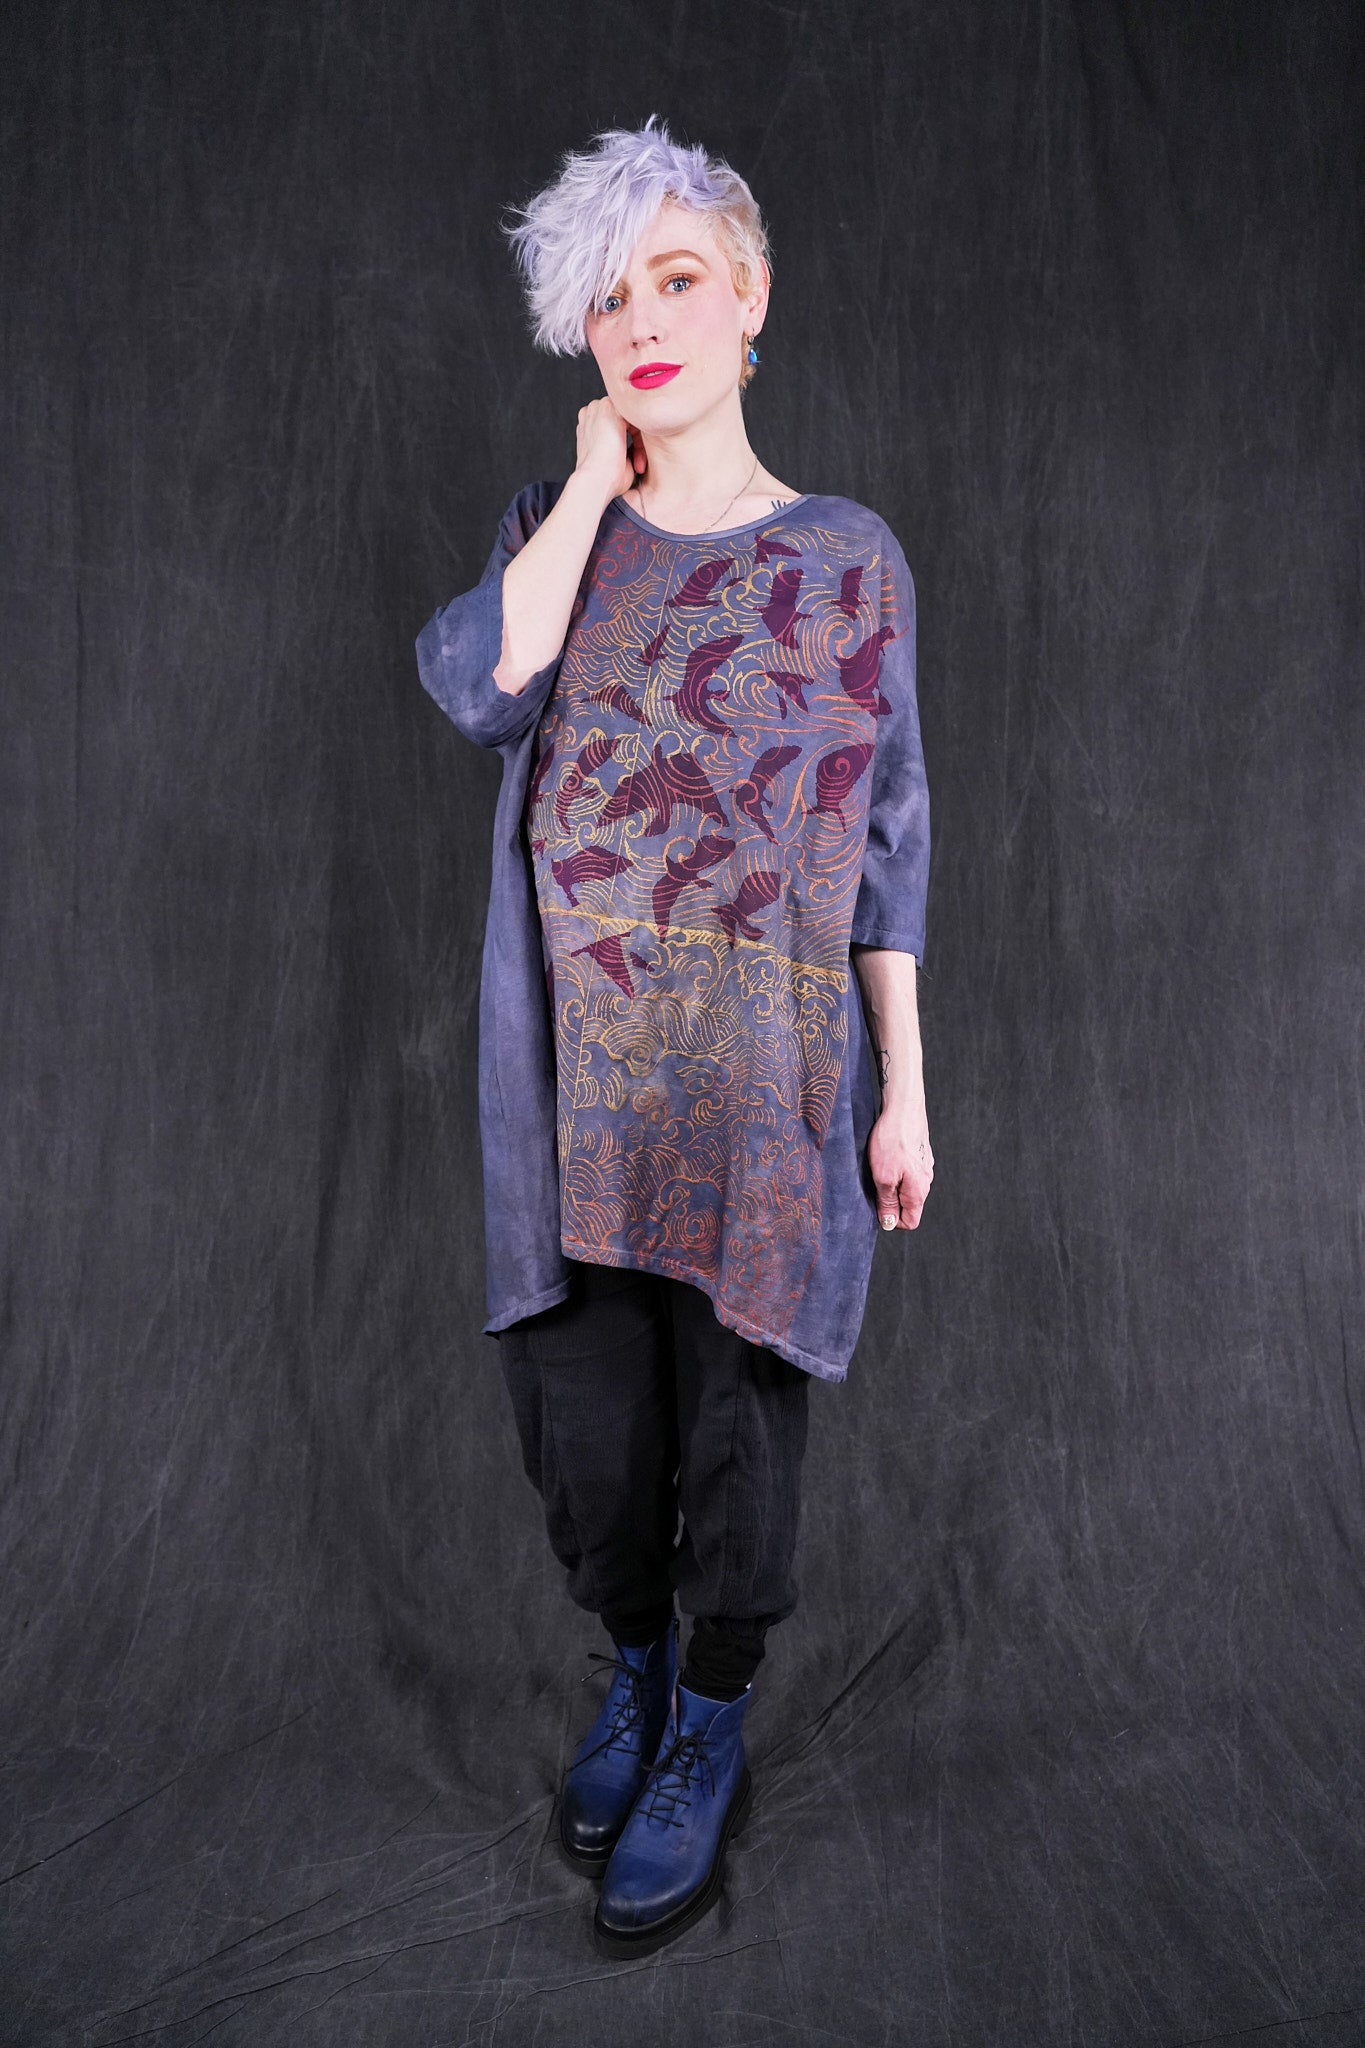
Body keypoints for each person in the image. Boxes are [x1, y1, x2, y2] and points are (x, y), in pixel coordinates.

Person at [414, 115, 932, 1961]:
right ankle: (629, 1674)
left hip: (766, 1093)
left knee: (737, 1427)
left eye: (679, 280)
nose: (644, 322)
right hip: (576, 1086)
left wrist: (906, 1094)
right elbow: (481, 686)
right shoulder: (554, 545)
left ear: (750, 296)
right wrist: (585, 485)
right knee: (589, 1435)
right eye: (609, 298)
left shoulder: (850, 560)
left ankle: (707, 1717)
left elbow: (887, 845)